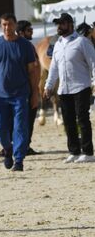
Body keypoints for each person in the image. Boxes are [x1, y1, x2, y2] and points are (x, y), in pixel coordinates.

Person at [0, 13, 38, 171]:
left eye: (10, 24)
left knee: (20, 127)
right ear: (1, 26)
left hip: (20, 95)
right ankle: (7, 148)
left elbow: (32, 71)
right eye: (4, 25)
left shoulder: (25, 45)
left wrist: (35, 93)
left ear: (15, 25)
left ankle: (19, 160)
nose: (7, 28)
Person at [44, 13, 95, 163]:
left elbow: (93, 63)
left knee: (83, 120)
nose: (59, 26)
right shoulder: (58, 44)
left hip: (81, 87)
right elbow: (53, 67)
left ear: (70, 25)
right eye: (58, 24)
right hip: (64, 90)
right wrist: (48, 85)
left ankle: (88, 152)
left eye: (62, 23)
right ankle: (74, 151)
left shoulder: (82, 42)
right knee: (68, 121)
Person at [16, 20, 41, 156]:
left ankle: (20, 145)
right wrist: (35, 90)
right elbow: (35, 67)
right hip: (28, 88)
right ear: (21, 32)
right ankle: (24, 146)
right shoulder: (28, 46)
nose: (31, 32)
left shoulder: (15, 45)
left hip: (18, 89)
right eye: (29, 30)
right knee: (27, 120)